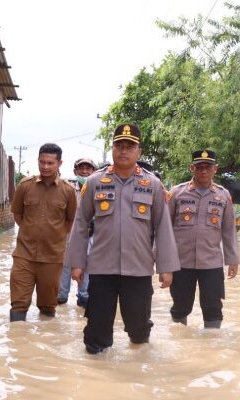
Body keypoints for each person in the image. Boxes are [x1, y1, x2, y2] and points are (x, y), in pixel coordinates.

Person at [66, 123, 180, 354]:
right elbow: (80, 224)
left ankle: (137, 373)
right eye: (119, 145)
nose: (124, 151)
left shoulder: (153, 185)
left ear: (139, 151)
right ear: (112, 148)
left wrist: (166, 268)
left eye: (130, 146)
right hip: (101, 269)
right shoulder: (95, 182)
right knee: (96, 334)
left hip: (138, 270)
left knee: (139, 330)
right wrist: (77, 263)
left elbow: (163, 227)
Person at [167, 149, 240, 329]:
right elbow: (164, 229)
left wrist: (233, 260)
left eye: (208, 167)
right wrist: (162, 261)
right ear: (192, 168)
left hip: (212, 264)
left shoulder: (223, 196)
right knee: (180, 307)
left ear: (215, 169)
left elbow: (229, 230)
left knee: (213, 308)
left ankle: (212, 347)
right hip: (181, 263)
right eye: (199, 167)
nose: (204, 171)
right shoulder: (176, 193)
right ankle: (179, 342)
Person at [9, 143, 77, 322]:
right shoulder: (25, 186)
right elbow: (17, 214)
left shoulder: (68, 191)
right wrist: (30, 231)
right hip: (24, 255)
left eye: (50, 163)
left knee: (48, 306)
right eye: (42, 162)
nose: (45, 167)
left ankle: (45, 340)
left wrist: (56, 236)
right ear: (38, 161)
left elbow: (70, 221)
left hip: (52, 259)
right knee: (18, 304)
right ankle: (17, 342)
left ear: (59, 163)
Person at [58, 157, 97, 308]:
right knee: (65, 267)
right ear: (75, 171)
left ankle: (83, 298)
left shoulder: (99, 189)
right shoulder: (67, 190)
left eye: (88, 168)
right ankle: (61, 298)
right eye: (81, 168)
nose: (85, 171)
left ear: (94, 171)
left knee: (87, 268)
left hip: (91, 237)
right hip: (68, 237)